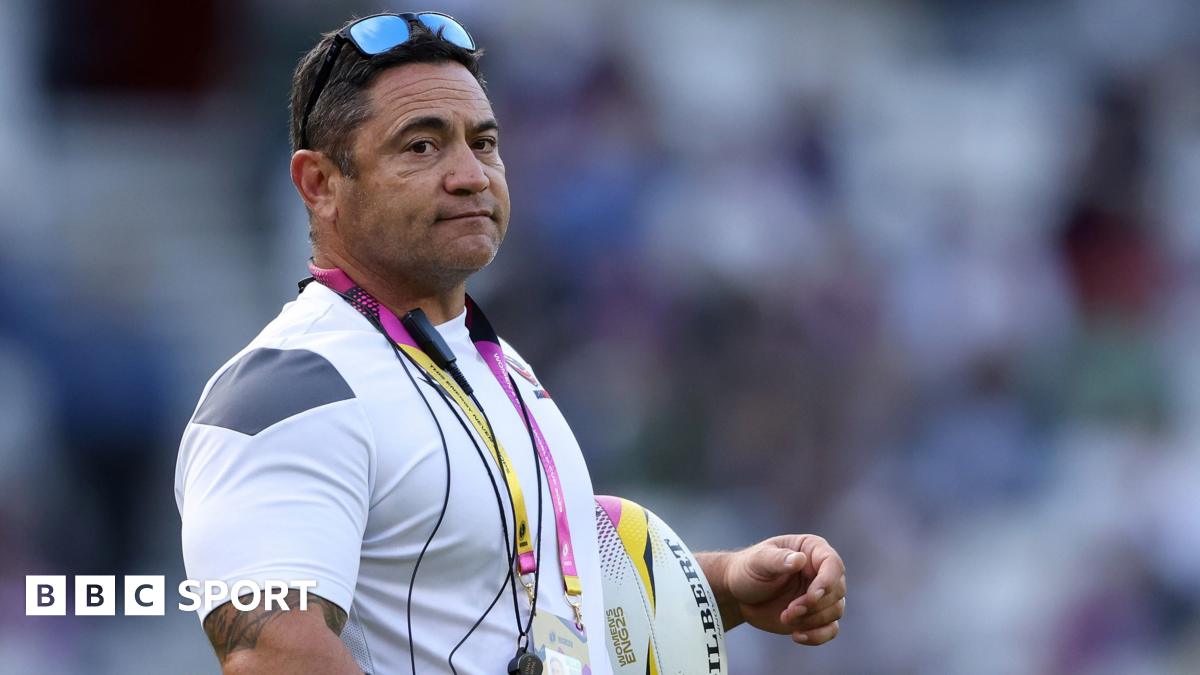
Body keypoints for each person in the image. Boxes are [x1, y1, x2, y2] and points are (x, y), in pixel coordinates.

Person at [175, 11, 846, 675]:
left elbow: (524, 590)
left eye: (484, 142)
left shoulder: (489, 359)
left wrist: (725, 584)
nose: (471, 174)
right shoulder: (289, 388)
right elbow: (273, 653)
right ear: (320, 184)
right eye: (422, 146)